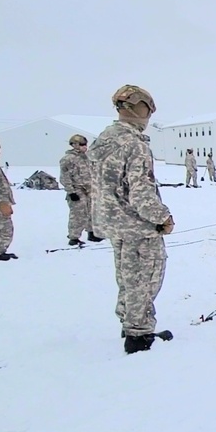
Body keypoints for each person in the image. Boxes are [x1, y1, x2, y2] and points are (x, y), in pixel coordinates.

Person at [88, 84, 175, 354]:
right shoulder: (134, 144)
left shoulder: (104, 140)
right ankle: (138, 334)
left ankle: (129, 323)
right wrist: (162, 217)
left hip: (115, 223)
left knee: (127, 277)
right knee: (145, 278)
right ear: (140, 109)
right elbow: (140, 190)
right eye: (147, 109)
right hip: (138, 225)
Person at [59, 134, 103, 246]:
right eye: (82, 145)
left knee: (92, 211)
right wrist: (71, 192)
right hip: (77, 189)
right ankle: (74, 237)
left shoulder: (87, 157)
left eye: (85, 144)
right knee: (78, 213)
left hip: (89, 188)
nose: (84, 147)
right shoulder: (67, 159)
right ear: (74, 145)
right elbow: (65, 177)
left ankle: (92, 232)